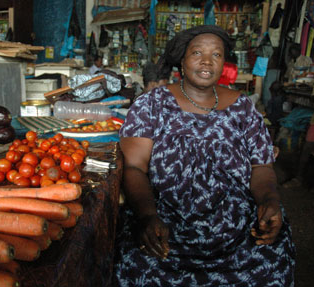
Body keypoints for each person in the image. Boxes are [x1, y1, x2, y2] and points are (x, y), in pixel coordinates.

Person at [114, 25, 295, 286]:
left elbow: (262, 166)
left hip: (237, 229)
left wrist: (269, 199)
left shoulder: (243, 107)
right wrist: (147, 216)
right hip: (167, 223)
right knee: (136, 265)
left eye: (217, 55)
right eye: (197, 52)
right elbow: (133, 168)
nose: (207, 61)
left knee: (272, 259)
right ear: (182, 60)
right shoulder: (152, 104)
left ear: (224, 63)